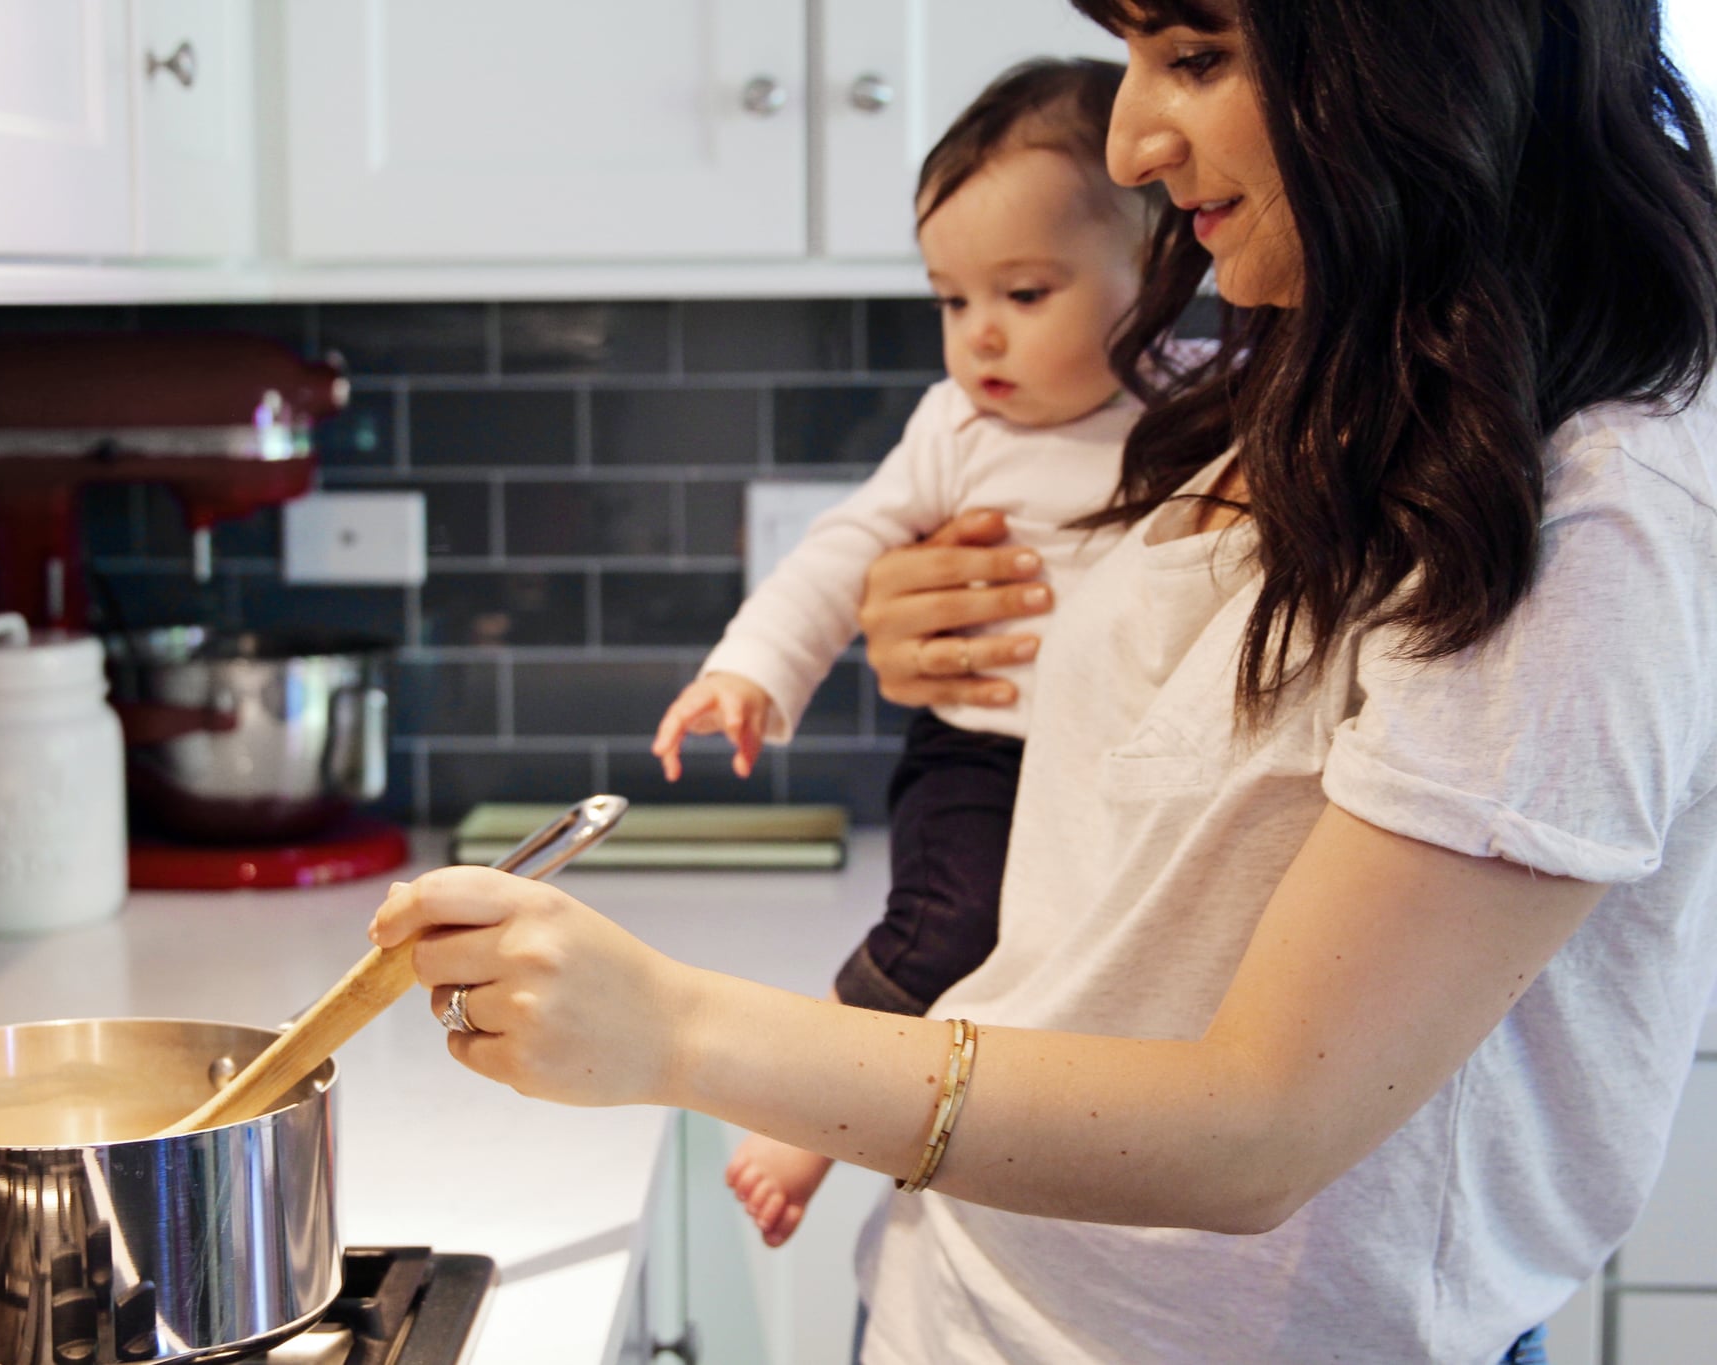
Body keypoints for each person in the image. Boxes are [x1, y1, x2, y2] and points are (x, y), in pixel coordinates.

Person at [372, 0, 1717, 1360]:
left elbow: (1260, 1126)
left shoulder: (1593, 517)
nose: (1131, 139)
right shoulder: (1326, 361)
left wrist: (677, 1028)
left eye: (1196, 58)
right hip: (957, 1290)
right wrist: (947, 644)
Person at [650, 57, 1162, 1248]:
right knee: (948, 927)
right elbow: (840, 552)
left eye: (1024, 293)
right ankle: (815, 1104)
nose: (978, 334)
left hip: (1111, 778)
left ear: (1157, 270)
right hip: (977, 753)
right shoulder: (956, 429)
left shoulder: (1210, 416)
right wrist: (750, 670)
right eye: (950, 299)